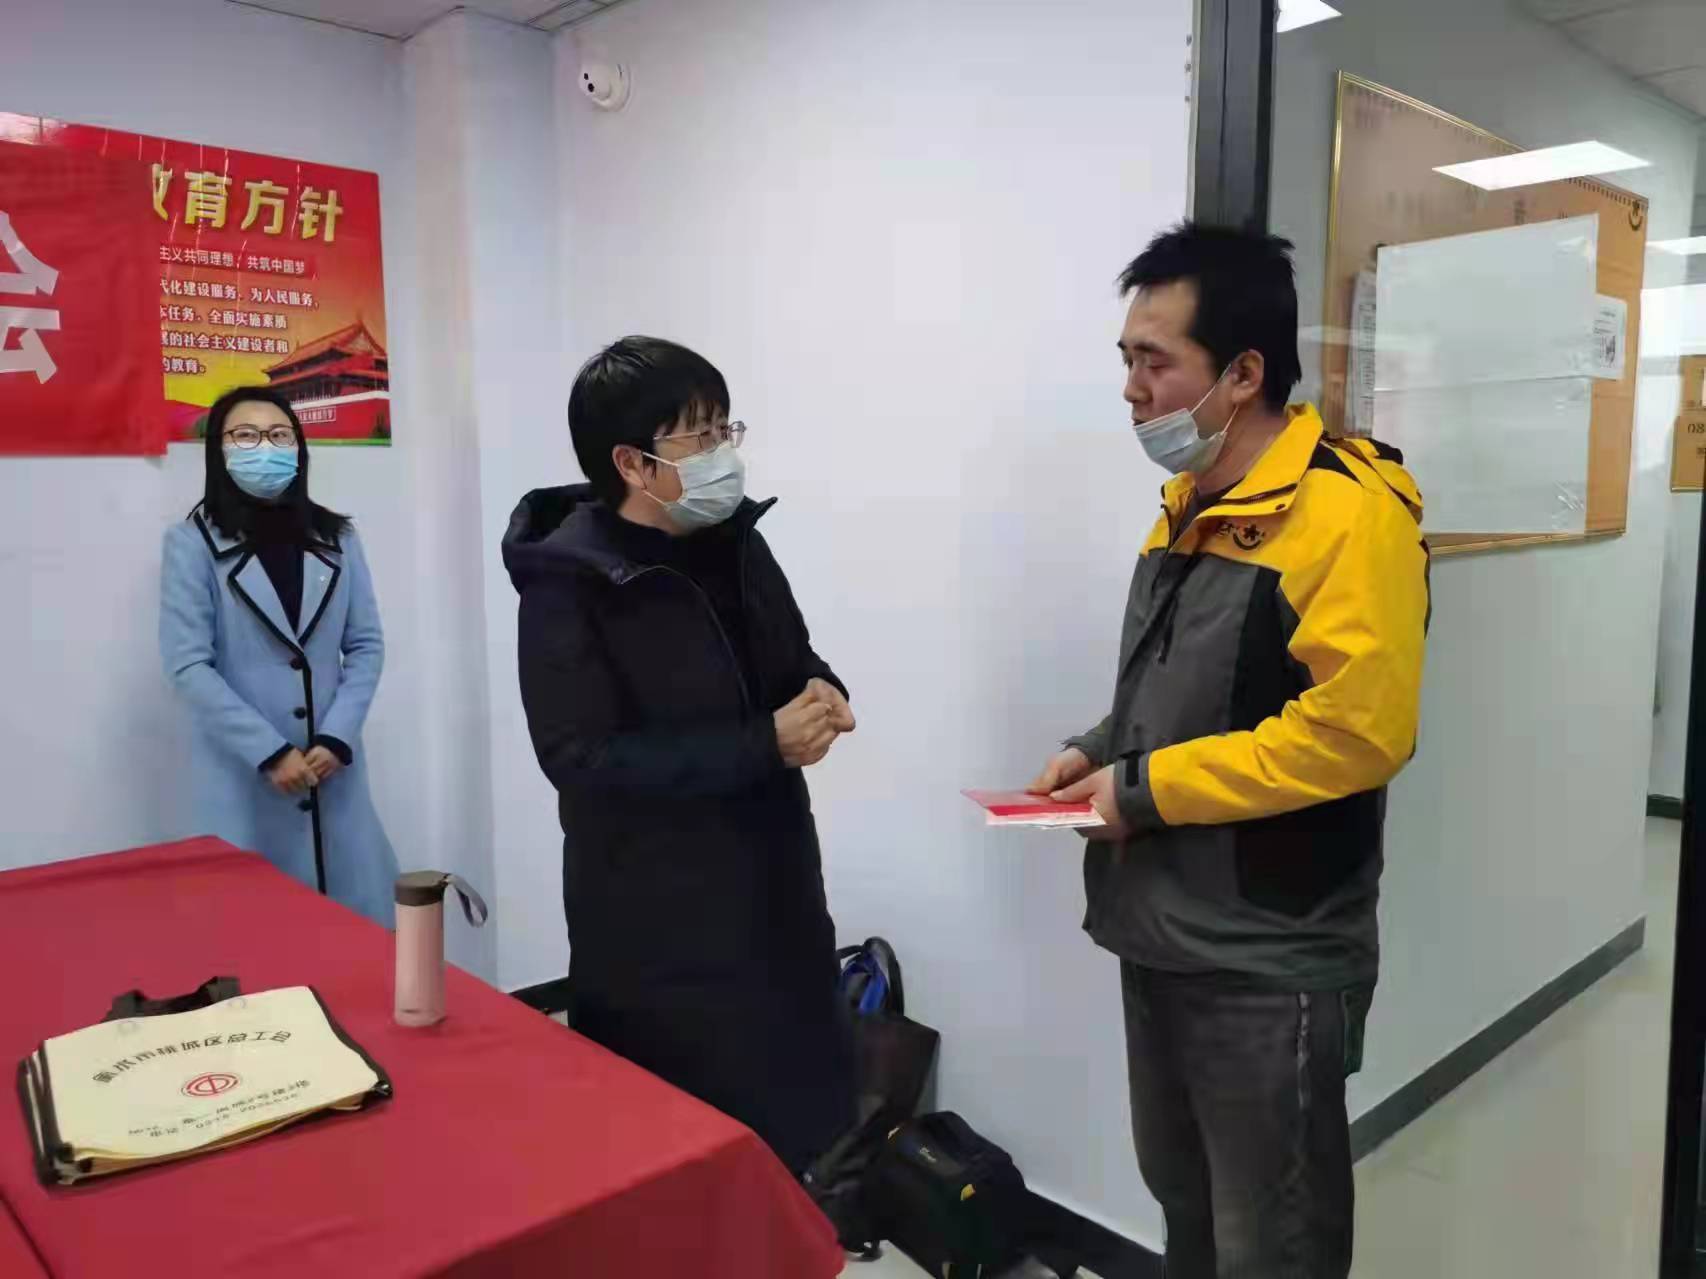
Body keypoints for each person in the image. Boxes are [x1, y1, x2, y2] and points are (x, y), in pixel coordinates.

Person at [1029, 223, 1429, 1278]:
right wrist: (1094, 751)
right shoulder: (1187, 502)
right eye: (1125, 358)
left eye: (1153, 361)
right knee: (1188, 1212)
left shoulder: (1347, 516)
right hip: (1158, 928)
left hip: (1266, 956)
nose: (1130, 389)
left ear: (1242, 373)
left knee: (1273, 1243)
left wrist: (1142, 789)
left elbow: (1354, 732)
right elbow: (1179, 691)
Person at [502, 336, 856, 1174]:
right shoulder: (569, 584)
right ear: (632, 462)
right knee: (676, 1152)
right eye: (700, 436)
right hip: (657, 923)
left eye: (726, 428)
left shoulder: (736, 541)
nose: (723, 453)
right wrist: (763, 742)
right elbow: (579, 756)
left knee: (791, 1130)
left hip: (775, 891)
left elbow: (792, 653)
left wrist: (823, 688)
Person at [160, 386, 397, 926]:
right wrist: (268, 751)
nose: (264, 448)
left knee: (357, 935)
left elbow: (365, 644)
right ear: (218, 451)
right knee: (260, 938)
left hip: (332, 774)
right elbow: (188, 665)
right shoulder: (191, 545)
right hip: (248, 781)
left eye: (279, 435)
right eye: (245, 436)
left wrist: (337, 736)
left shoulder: (338, 537)